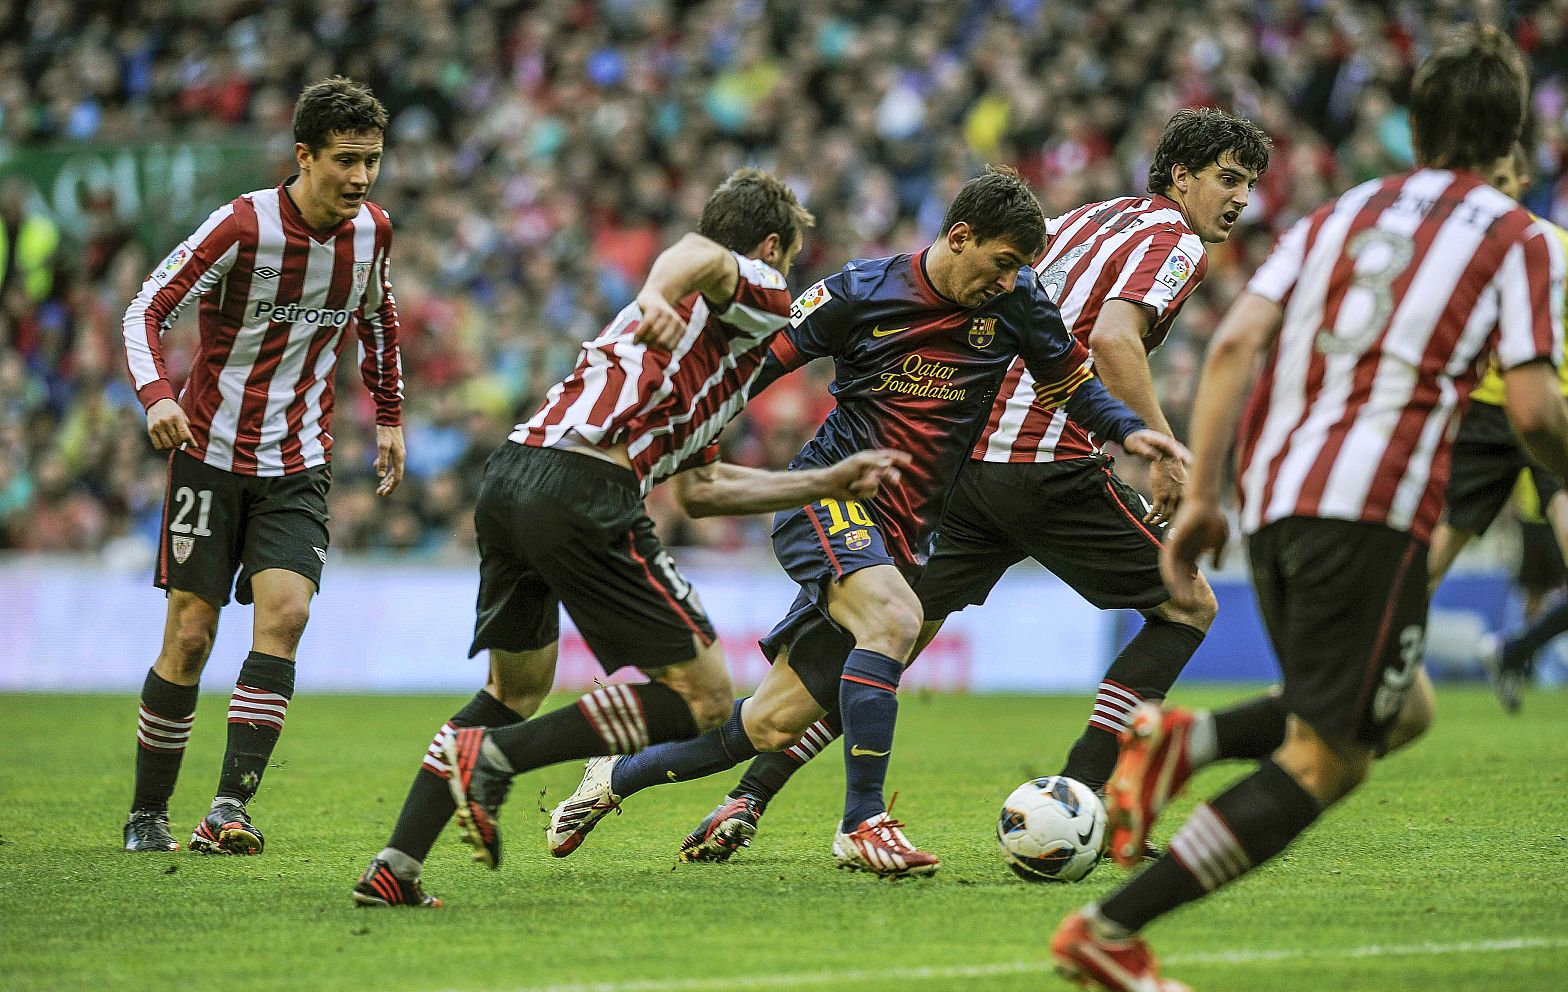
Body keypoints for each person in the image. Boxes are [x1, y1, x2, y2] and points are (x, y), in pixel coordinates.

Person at [1050, 25, 1568, 992]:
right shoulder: (1520, 237)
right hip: (1370, 507)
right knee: (1330, 759)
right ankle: (1108, 929)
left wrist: (1207, 495)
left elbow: (1230, 350)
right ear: (1511, 140)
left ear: (1415, 126)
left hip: (1274, 494)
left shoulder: (1340, 210)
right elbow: (1531, 408)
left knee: (1408, 706)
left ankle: (1186, 741)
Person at [658, 109, 1273, 865]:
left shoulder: (1083, 217)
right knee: (1187, 605)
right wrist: (1159, 448)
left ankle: (748, 795)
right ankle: (1090, 796)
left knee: (887, 640)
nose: (1242, 199)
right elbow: (1113, 337)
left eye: (1249, 184)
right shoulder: (1174, 241)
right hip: (1046, 465)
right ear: (1182, 176)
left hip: (963, 466)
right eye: (1229, 178)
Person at [543, 167, 1188, 878]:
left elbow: (1069, 384)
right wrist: (694, 450)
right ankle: (863, 823)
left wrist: (1131, 433)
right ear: (960, 237)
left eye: (1019, 271)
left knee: (770, 722)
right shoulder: (859, 291)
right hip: (828, 495)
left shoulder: (1018, 300)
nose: (1008, 282)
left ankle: (612, 779)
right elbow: (750, 369)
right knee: (893, 620)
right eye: (1001, 264)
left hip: (908, 528)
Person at [350, 168, 908, 906]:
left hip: (513, 477)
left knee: (512, 688)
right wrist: (654, 292)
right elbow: (699, 255)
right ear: (771, 245)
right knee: (708, 699)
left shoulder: (705, 360)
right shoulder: (748, 288)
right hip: (584, 490)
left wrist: (826, 481)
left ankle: (397, 864)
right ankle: (493, 761)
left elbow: (704, 492)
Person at [121, 77, 405, 855]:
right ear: (303, 155)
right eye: (346, 161)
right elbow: (145, 306)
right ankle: (148, 813)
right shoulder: (242, 226)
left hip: (300, 460)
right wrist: (154, 395)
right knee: (191, 635)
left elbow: (380, 320)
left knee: (287, 615)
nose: (360, 178)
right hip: (207, 455)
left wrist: (387, 415)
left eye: (372, 161)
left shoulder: (374, 232)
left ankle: (228, 809)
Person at [1426, 143, 1568, 750]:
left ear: (1523, 181)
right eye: (1484, 181)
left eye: (1504, 180)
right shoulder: (1456, 255)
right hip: (1480, 419)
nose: (1495, 194)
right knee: (1427, 560)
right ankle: (1364, 686)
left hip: (1554, 410)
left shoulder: (1562, 250)